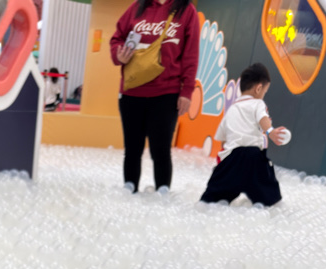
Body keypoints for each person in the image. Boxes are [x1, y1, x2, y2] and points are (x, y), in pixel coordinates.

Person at [110, 0, 200, 194]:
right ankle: (130, 186)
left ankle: (163, 189)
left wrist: (187, 91)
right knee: (132, 147)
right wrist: (119, 54)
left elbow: (191, 55)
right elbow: (116, 38)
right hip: (132, 92)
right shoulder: (137, 7)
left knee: (161, 149)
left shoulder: (186, 10)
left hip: (167, 93)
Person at [200, 63, 285, 207]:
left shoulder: (231, 110)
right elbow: (263, 118)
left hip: (231, 160)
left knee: (211, 201)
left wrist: (223, 162)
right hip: (253, 158)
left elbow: (223, 140)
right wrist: (271, 132)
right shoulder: (258, 104)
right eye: (265, 92)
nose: (263, 95)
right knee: (271, 201)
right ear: (258, 88)